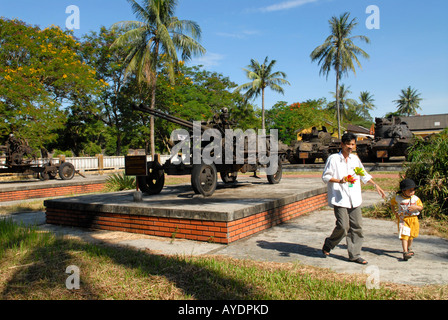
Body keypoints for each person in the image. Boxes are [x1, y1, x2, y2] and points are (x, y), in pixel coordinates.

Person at [321, 132, 386, 264]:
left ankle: (354, 254)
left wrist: (376, 185)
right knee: (343, 226)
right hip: (340, 198)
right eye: (348, 144)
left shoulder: (355, 159)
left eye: (353, 144)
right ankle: (329, 243)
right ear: (342, 144)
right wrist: (340, 180)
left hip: (354, 198)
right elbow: (325, 177)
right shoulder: (333, 159)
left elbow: (363, 174)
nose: (350, 147)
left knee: (357, 227)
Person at [390, 178, 423, 261]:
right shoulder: (398, 198)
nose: (412, 192)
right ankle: (405, 252)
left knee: (411, 235)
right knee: (405, 235)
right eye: (410, 190)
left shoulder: (415, 199)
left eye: (413, 190)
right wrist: (395, 212)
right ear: (403, 190)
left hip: (413, 219)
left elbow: (421, 207)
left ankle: (409, 247)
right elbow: (392, 204)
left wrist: (416, 207)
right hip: (403, 219)